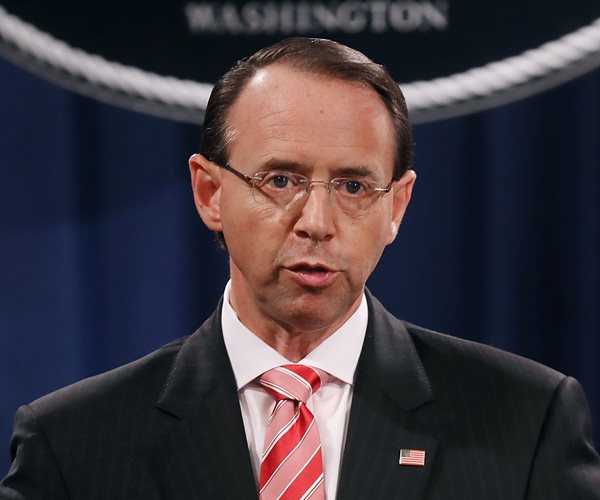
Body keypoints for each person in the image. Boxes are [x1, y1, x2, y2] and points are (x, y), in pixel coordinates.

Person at [1, 37, 599, 500]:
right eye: (281, 180)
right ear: (210, 193)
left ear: (396, 207)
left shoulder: (527, 421)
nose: (317, 221)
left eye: (353, 186)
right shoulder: (73, 444)